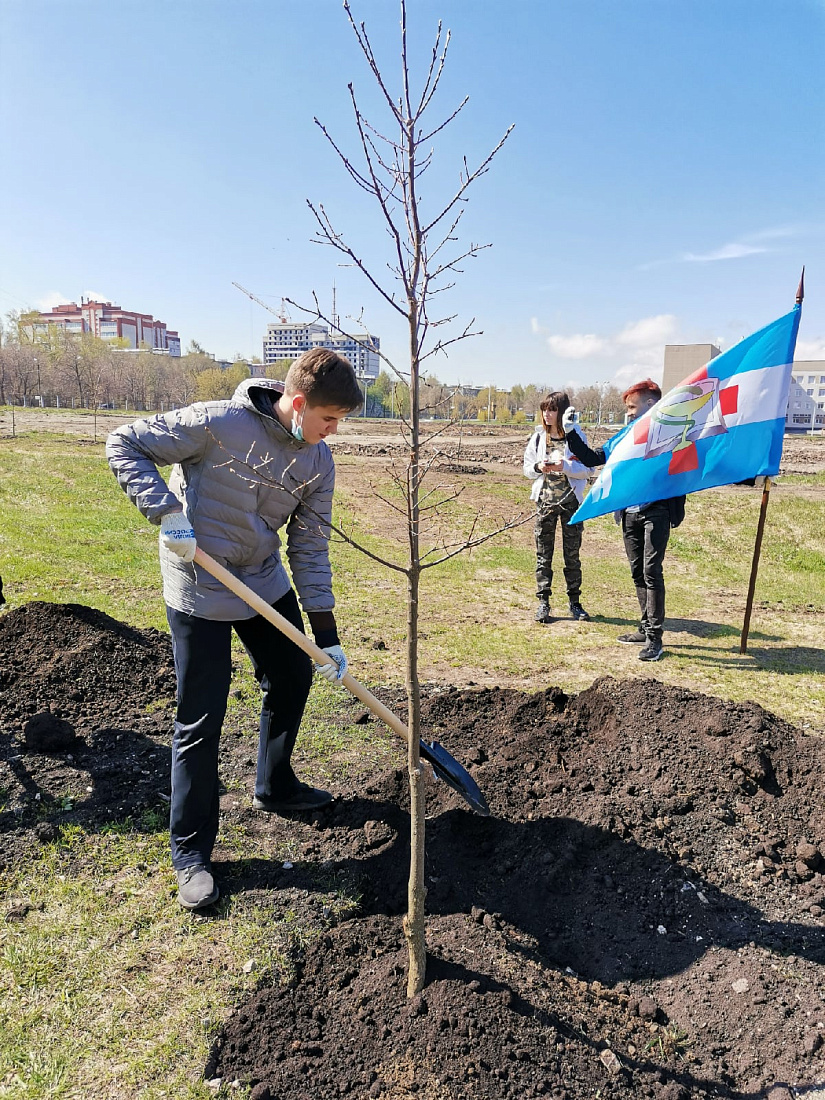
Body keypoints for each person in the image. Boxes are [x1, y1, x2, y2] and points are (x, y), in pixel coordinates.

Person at [106, 348, 363, 910]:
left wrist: (326, 632)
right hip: (199, 579)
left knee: (293, 675)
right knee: (202, 715)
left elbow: (310, 547)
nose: (333, 431)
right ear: (297, 404)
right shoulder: (216, 425)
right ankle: (191, 852)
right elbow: (124, 441)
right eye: (328, 419)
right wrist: (166, 513)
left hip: (262, 580)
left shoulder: (318, 462)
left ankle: (275, 784)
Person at [561, 379, 685, 663]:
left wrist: (752, 475)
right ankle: (644, 627)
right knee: (638, 572)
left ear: (651, 404)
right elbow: (594, 458)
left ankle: (655, 638)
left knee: (652, 570)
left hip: (658, 510)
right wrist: (570, 433)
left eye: (632, 406)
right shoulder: (625, 436)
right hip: (629, 513)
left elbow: (702, 459)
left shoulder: (671, 433)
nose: (628, 413)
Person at [523, 391, 591, 624]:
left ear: (561, 412)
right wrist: (539, 466)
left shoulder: (576, 436)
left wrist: (566, 467)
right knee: (544, 556)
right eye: (544, 410)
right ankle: (543, 602)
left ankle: (575, 602)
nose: (547, 414)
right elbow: (527, 469)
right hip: (546, 503)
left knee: (572, 556)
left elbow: (589, 469)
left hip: (571, 503)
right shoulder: (539, 437)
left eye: (551, 410)